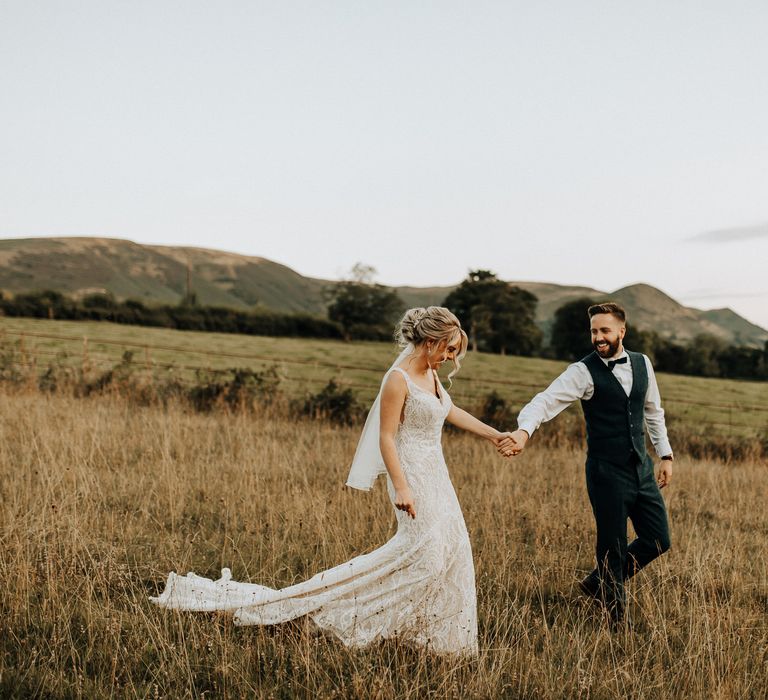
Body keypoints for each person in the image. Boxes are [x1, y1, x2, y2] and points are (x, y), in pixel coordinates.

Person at [151, 306, 510, 656]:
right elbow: (386, 437)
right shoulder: (397, 379)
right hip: (411, 473)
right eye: (448, 348)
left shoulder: (430, 376)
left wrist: (494, 434)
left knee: (449, 550)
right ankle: (340, 613)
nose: (450, 357)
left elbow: (449, 410)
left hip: (437, 475)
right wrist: (401, 486)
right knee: (423, 555)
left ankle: (425, 631)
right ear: (430, 340)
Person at [499, 302, 673, 626]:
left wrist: (665, 455)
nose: (598, 337)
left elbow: (653, 411)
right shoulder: (582, 371)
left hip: (642, 468)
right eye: (594, 331)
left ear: (622, 331)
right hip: (606, 472)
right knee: (613, 546)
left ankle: (598, 583)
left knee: (659, 539)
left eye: (605, 330)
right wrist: (524, 431)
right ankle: (615, 622)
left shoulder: (642, 363)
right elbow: (546, 400)